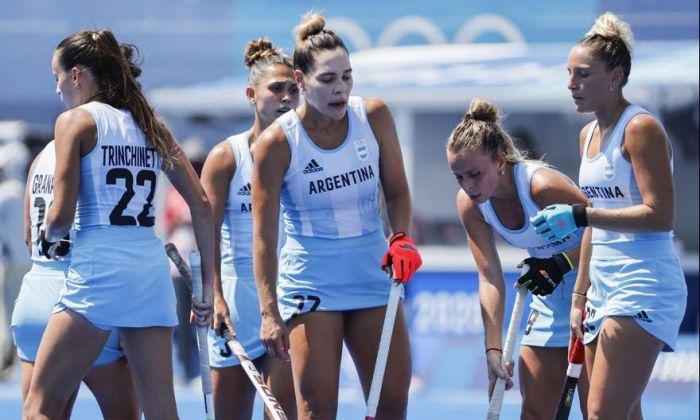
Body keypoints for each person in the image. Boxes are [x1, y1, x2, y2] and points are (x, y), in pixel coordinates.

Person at [23, 29, 215, 419]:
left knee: (40, 406)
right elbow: (203, 205)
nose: (57, 88)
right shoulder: (150, 124)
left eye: (56, 76)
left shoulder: (75, 121)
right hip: (149, 274)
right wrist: (207, 287)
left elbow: (59, 216)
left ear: (76, 75)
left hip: (97, 273)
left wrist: (51, 235)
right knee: (162, 411)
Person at [251, 12, 422, 419]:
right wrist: (269, 311)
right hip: (312, 281)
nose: (340, 89)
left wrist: (400, 238)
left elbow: (397, 192)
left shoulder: (374, 116)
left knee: (392, 404)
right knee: (316, 409)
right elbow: (262, 236)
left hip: (373, 274)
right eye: (327, 80)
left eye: (347, 76)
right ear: (300, 79)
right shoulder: (277, 143)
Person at [531, 12, 688, 420]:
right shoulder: (586, 135)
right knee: (618, 413)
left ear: (615, 76)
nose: (571, 83)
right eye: (569, 73)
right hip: (601, 284)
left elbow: (660, 215)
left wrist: (582, 215)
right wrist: (579, 296)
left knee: (602, 413)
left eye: (582, 74)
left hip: (644, 282)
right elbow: (592, 225)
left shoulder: (641, 128)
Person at [447, 98, 589, 419]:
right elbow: (490, 278)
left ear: (499, 161)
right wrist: (493, 351)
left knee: (603, 411)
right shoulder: (471, 205)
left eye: (474, 174)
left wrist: (561, 262)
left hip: (596, 290)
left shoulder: (542, 186)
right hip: (548, 294)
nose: (468, 186)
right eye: (459, 178)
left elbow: (608, 234)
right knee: (536, 411)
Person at [199, 37, 299, 419]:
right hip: (237, 305)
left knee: (283, 413)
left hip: (287, 300)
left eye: (293, 89)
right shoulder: (227, 157)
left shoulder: (305, 152)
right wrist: (215, 297)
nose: (286, 97)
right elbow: (206, 235)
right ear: (251, 94)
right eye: (276, 89)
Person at [12, 139, 139, 418]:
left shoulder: (40, 159)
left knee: (40, 410)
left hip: (35, 296)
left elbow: (29, 239)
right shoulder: (99, 155)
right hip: (83, 302)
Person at [0, 141, 32, 379]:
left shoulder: (6, 194)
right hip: (29, 261)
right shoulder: (26, 190)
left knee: (9, 313)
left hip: (11, 264)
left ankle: (10, 360)